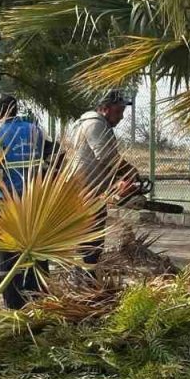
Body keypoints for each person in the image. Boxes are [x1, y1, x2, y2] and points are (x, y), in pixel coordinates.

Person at [0, 95, 48, 309]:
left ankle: (13, 305)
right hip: (34, 201)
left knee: (7, 256)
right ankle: (39, 302)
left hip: (5, 204)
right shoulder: (36, 131)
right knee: (36, 252)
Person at [70, 90, 139, 264]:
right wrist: (129, 170)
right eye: (118, 112)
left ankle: (86, 275)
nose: (121, 117)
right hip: (87, 189)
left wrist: (119, 178)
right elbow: (106, 156)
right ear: (105, 109)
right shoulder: (95, 124)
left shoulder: (91, 123)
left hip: (90, 187)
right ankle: (85, 277)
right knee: (91, 237)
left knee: (92, 236)